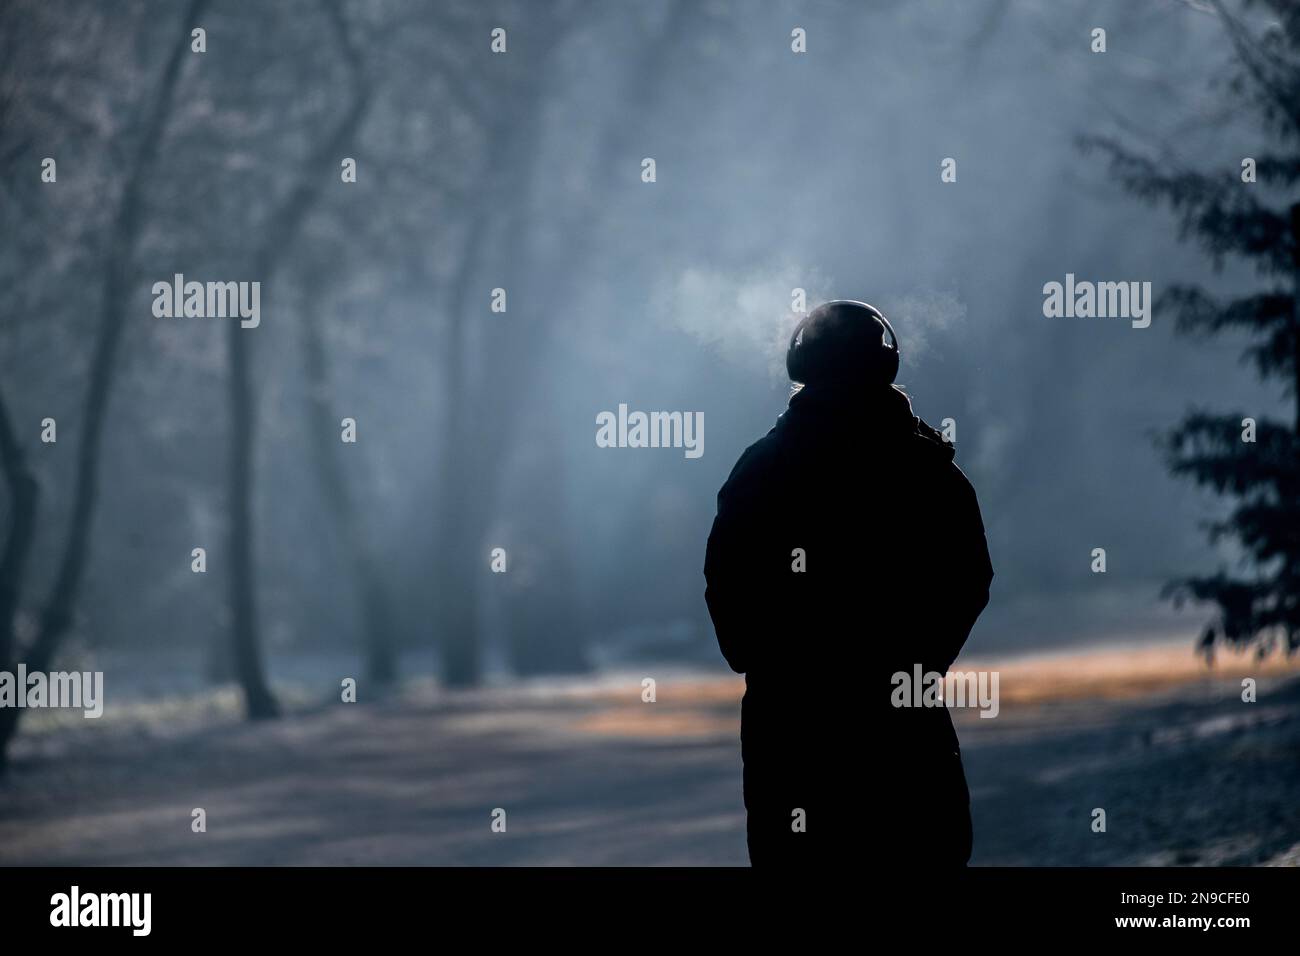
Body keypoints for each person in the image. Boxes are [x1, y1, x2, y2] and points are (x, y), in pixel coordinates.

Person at [703, 299, 993, 867]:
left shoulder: (761, 468)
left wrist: (764, 660)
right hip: (899, 720)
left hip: (791, 722)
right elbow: (968, 576)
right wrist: (918, 662)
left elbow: (726, 579)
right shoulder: (925, 467)